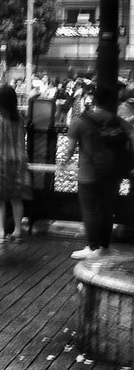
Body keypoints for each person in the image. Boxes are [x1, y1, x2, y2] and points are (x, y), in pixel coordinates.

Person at [61, 89, 130, 262]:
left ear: (94, 100)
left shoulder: (80, 121)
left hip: (88, 174)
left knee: (89, 210)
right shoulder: (118, 121)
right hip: (112, 174)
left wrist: (64, 161)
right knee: (107, 210)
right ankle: (105, 247)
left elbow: (69, 150)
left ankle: (92, 247)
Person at [0, 84, 31, 241]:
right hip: (19, 160)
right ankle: (18, 231)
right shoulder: (19, 117)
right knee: (16, 197)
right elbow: (23, 135)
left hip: (0, 160)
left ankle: (0, 232)